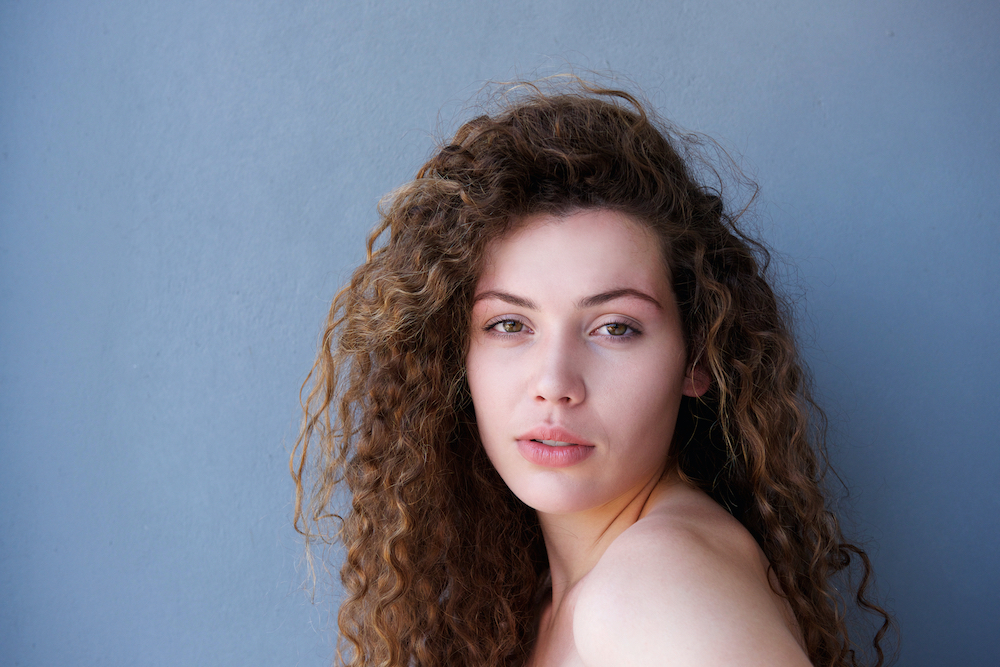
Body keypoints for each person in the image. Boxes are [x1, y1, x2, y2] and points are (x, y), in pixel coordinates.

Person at [292, 79, 893, 667]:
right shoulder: (546, 594)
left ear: (698, 358)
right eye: (509, 324)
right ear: (458, 355)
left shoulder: (652, 589)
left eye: (615, 328)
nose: (554, 383)